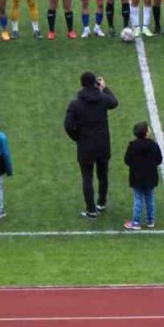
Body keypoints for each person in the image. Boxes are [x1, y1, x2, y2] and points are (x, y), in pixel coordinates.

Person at [64, 71, 119, 218]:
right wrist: (105, 88)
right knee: (103, 175)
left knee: (87, 178)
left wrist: (77, 137)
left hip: (85, 144)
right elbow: (114, 102)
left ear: (81, 84)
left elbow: (68, 125)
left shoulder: (75, 104)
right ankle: (101, 202)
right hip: (102, 144)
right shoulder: (102, 98)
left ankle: (91, 209)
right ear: (95, 83)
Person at [123, 121, 162, 230]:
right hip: (151, 176)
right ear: (146, 133)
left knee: (138, 199)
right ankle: (150, 221)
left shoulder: (132, 145)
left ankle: (136, 222)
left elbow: (127, 160)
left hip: (136, 177)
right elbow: (159, 159)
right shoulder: (153, 145)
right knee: (150, 198)